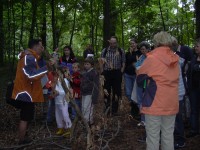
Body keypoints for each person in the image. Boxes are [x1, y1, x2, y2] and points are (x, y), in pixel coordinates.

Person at [137, 31, 179, 150]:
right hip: (171, 103)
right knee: (168, 136)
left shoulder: (151, 58)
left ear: (156, 42)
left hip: (154, 103)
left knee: (153, 138)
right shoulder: (175, 59)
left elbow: (140, 80)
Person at [12, 39, 51, 145]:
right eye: (41, 46)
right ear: (35, 46)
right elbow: (31, 75)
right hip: (26, 94)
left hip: (26, 92)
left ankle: (24, 137)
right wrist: (47, 67)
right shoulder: (29, 57)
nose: (42, 49)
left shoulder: (29, 56)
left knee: (26, 116)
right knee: (25, 117)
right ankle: (21, 141)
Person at [100, 36, 126, 115]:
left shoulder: (121, 51)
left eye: (114, 43)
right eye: (111, 43)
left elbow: (123, 62)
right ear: (109, 42)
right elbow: (101, 62)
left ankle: (114, 110)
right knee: (106, 91)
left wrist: (121, 71)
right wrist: (102, 73)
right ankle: (107, 109)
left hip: (117, 73)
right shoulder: (105, 51)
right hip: (107, 73)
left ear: (116, 42)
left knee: (116, 92)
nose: (113, 44)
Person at [51, 66, 72, 137]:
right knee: (58, 115)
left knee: (65, 114)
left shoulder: (65, 81)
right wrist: (54, 91)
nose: (57, 75)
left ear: (62, 74)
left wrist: (58, 93)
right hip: (57, 101)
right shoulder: (55, 81)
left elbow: (66, 91)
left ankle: (68, 129)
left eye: (59, 73)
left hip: (63, 101)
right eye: (56, 74)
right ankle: (61, 128)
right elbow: (53, 91)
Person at [124, 38, 141, 118]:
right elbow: (126, 63)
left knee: (136, 93)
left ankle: (136, 110)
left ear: (136, 44)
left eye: (133, 43)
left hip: (136, 75)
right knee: (128, 93)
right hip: (127, 74)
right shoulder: (128, 53)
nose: (132, 45)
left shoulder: (139, 52)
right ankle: (134, 107)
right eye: (131, 44)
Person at [187, 38, 200, 138]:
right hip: (194, 89)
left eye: (197, 46)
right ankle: (194, 129)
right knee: (194, 109)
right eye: (195, 46)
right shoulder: (194, 59)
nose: (195, 48)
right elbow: (189, 73)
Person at [80, 57, 99, 126]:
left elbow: (96, 86)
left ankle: (90, 123)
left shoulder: (94, 73)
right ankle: (85, 122)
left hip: (90, 93)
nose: (86, 65)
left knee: (88, 108)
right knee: (83, 108)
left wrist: (95, 96)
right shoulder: (84, 72)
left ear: (92, 65)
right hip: (84, 93)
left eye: (87, 64)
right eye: (85, 64)